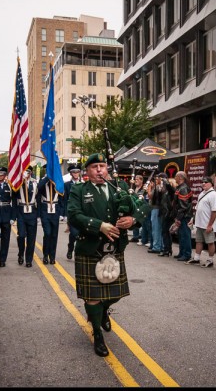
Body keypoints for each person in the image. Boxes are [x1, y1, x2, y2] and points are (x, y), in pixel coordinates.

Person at [67, 153, 150, 357]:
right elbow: (74, 215)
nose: (99, 170)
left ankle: (103, 312)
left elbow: (144, 206)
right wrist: (99, 226)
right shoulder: (78, 189)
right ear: (87, 171)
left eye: (102, 166)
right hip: (90, 248)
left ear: (107, 169)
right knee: (92, 296)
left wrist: (133, 219)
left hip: (114, 249)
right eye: (94, 166)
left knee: (116, 294)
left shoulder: (119, 188)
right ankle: (97, 333)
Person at [187, 176, 216, 267]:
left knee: (210, 242)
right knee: (199, 241)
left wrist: (210, 225)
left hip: (207, 224)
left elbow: (214, 211)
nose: (203, 183)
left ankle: (210, 260)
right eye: (203, 182)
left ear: (211, 184)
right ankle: (196, 258)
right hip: (199, 223)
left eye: (206, 182)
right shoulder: (202, 193)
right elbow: (198, 209)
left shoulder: (214, 195)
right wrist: (193, 220)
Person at [37, 165, 64, 265]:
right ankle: (45, 255)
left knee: (54, 235)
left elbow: (62, 199)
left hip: (55, 211)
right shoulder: (43, 181)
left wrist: (62, 213)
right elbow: (39, 188)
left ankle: (52, 256)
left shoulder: (59, 181)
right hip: (45, 210)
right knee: (47, 233)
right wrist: (48, 176)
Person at [14, 166, 37, 268]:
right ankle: (20, 253)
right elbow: (14, 200)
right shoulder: (17, 184)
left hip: (32, 213)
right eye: (24, 172)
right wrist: (13, 216)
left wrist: (39, 214)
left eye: (27, 172)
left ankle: (29, 259)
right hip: (21, 213)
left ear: (31, 172)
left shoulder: (35, 183)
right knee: (22, 236)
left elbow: (39, 198)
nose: (26, 173)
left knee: (31, 238)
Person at [173, 171, 193, 261]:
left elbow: (183, 206)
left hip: (185, 216)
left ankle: (187, 254)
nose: (174, 178)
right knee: (181, 235)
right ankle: (182, 253)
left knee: (185, 235)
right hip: (183, 215)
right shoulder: (180, 187)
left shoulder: (183, 188)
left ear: (180, 178)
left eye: (176, 176)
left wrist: (178, 218)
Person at [64, 164, 83, 259]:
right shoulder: (67, 185)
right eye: (74, 172)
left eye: (77, 172)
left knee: (81, 234)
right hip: (72, 212)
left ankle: (78, 251)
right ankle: (70, 247)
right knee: (74, 233)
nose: (76, 174)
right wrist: (64, 214)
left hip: (82, 212)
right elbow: (65, 199)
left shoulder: (84, 184)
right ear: (71, 173)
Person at [147, 173, 165, 254]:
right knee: (158, 228)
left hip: (156, 208)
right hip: (159, 209)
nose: (156, 179)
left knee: (156, 228)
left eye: (157, 178)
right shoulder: (161, 187)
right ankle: (160, 246)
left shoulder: (158, 187)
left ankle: (157, 247)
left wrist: (149, 188)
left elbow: (150, 196)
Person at [158, 178, 177, 257]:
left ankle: (167, 249)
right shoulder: (165, 193)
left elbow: (170, 189)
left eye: (165, 184)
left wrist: (166, 181)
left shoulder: (171, 192)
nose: (164, 185)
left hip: (169, 214)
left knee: (166, 232)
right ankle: (167, 249)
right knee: (165, 232)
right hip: (165, 213)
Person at [129, 174, 145, 244]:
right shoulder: (134, 188)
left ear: (141, 180)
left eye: (137, 179)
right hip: (135, 206)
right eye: (135, 179)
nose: (136, 180)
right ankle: (135, 237)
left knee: (141, 223)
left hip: (141, 207)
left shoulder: (144, 189)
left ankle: (142, 237)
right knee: (134, 220)